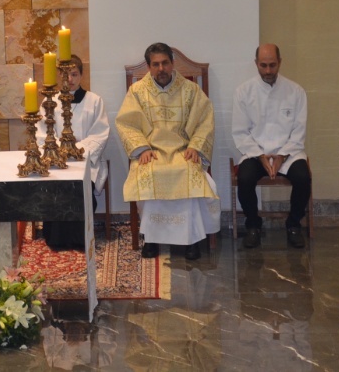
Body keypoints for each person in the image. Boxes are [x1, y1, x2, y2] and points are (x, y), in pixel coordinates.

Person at [116, 42, 220, 261]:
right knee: (147, 174)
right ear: (148, 66)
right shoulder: (137, 92)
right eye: (155, 64)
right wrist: (141, 148)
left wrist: (195, 146)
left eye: (165, 63)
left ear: (172, 64)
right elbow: (127, 123)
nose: (161, 68)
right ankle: (151, 239)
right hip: (152, 152)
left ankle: (191, 240)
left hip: (183, 150)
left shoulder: (191, 90)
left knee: (189, 173)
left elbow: (205, 120)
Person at [231, 44, 311, 249]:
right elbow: (240, 131)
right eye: (263, 65)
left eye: (272, 65)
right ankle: (253, 226)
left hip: (289, 152)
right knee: (245, 178)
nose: (268, 71)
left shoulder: (296, 91)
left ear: (280, 62)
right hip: (256, 152)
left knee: (303, 177)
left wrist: (282, 155)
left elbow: (299, 130)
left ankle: (293, 224)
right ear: (256, 64)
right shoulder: (243, 92)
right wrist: (260, 156)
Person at [34, 54, 110, 250]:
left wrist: (76, 150)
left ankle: (79, 239)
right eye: (66, 75)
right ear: (60, 76)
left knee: (79, 192)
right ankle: (56, 240)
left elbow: (99, 134)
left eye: (74, 74)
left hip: (84, 161)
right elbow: (42, 135)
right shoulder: (49, 103)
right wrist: (60, 150)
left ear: (81, 75)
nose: (70, 80)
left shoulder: (94, 101)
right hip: (57, 161)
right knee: (55, 191)